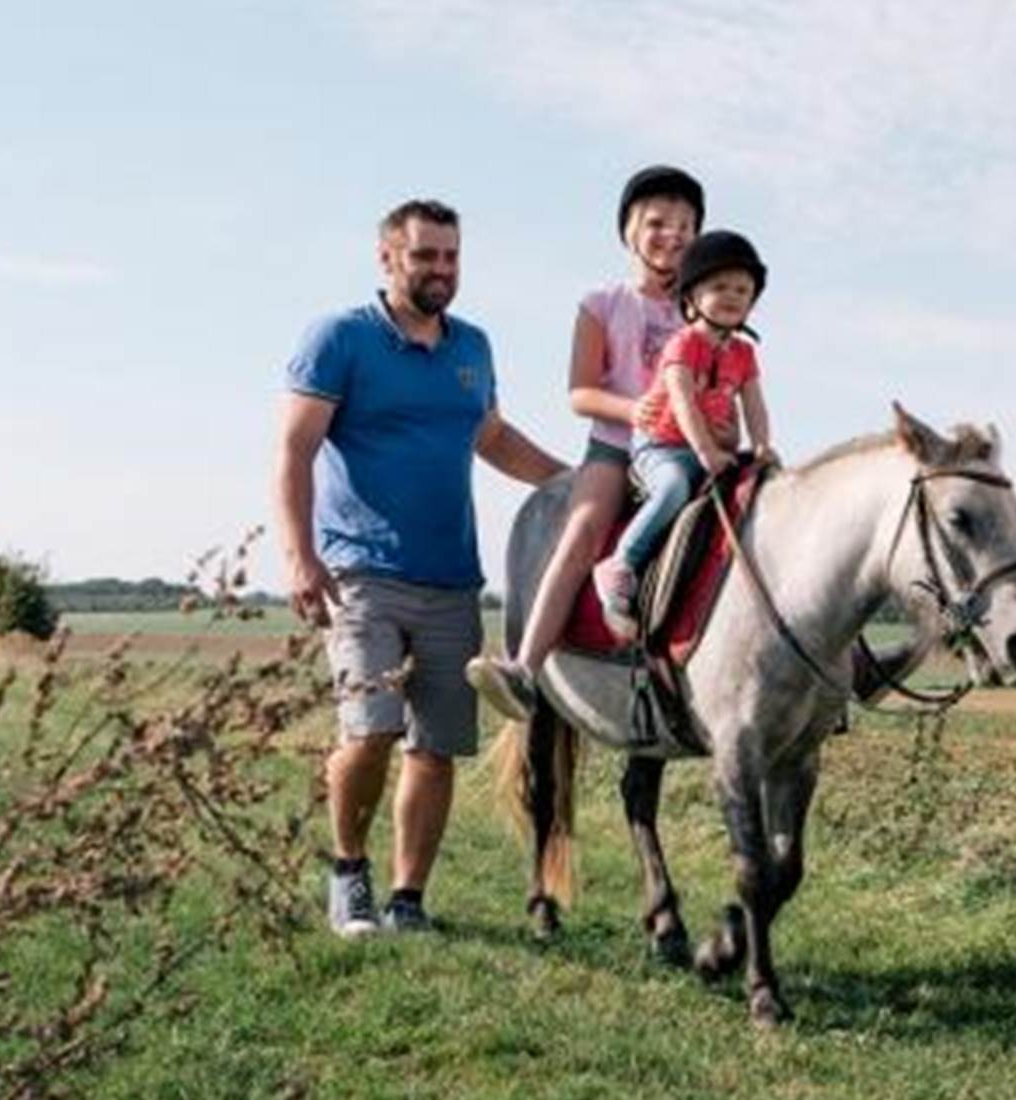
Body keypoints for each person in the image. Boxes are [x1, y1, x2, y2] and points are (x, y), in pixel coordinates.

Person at [275, 198, 565, 937]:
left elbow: (492, 438)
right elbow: (294, 450)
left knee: (434, 749)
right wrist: (298, 555)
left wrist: (574, 483)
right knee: (369, 730)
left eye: (451, 257)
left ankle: (408, 900)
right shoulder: (339, 338)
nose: (441, 270)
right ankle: (349, 874)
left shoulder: (472, 347)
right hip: (360, 573)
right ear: (387, 259)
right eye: (425, 256)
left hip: (451, 577)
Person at [465, 166, 708, 718]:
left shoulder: (701, 308)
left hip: (689, 448)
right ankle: (525, 668)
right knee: (580, 533)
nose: (672, 234)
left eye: (686, 225)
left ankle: (815, 667)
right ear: (629, 231)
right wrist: (636, 410)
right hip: (617, 448)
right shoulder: (602, 302)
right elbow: (581, 392)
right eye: (657, 223)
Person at [590, 229, 775, 639]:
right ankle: (620, 564)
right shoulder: (683, 344)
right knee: (673, 488)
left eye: (743, 290)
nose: (732, 296)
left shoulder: (744, 353)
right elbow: (683, 403)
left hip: (708, 446)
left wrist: (761, 444)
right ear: (691, 297)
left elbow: (755, 404)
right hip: (661, 446)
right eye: (719, 286)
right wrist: (707, 451)